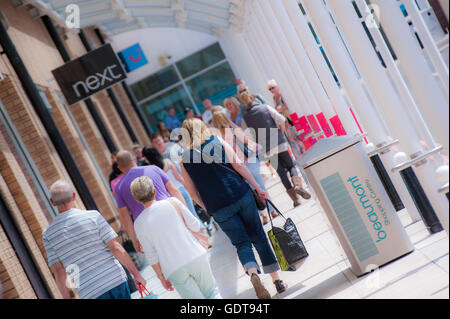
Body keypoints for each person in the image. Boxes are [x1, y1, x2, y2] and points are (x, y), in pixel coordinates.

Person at [180, 118, 287, 299]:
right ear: (202, 128)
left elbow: (192, 193)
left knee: (241, 243)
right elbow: (238, 165)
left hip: (219, 208)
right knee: (259, 236)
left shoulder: (184, 160)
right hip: (240, 194)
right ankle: (277, 281)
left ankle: (253, 274)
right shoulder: (217, 141)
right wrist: (258, 188)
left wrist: (208, 208)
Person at [42, 180, 146, 299]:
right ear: (74, 196)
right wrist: (136, 275)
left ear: (52, 202)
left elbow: (59, 271)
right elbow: (115, 248)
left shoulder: (48, 234)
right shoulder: (93, 216)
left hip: (89, 292)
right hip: (115, 280)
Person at [130, 176, 221, 299]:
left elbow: (151, 255)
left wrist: (161, 277)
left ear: (136, 199)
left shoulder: (139, 223)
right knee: (212, 293)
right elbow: (194, 225)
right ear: (155, 191)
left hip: (172, 268)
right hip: (195, 255)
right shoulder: (172, 202)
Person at [239, 92, 311, 208]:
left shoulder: (245, 118)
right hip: (279, 142)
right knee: (291, 166)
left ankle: (296, 200)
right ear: (252, 98)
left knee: (281, 173)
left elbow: (247, 136)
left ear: (243, 103)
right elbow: (281, 120)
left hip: (266, 148)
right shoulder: (265, 107)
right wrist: (281, 133)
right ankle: (298, 185)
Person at [211, 111, 278, 225]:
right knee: (261, 186)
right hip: (250, 161)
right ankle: (272, 210)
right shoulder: (233, 130)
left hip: (237, 168)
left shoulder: (216, 137)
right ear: (225, 118)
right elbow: (246, 141)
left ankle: (263, 215)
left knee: (251, 191)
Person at [114, 150, 186, 254]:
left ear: (119, 168)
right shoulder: (154, 169)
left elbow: (125, 217)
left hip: (147, 226)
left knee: (165, 256)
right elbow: (174, 191)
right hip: (169, 213)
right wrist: (184, 212)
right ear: (134, 160)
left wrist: (134, 240)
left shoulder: (119, 188)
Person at [142, 146, 203, 225]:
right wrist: (189, 188)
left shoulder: (152, 170)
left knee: (184, 220)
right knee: (193, 214)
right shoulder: (167, 162)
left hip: (171, 196)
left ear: (148, 158)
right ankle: (202, 231)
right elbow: (178, 177)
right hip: (181, 190)